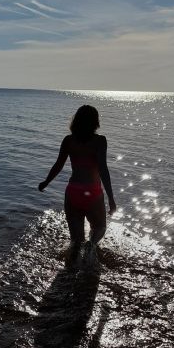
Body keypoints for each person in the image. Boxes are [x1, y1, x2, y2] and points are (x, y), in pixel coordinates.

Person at [38, 105, 116, 263]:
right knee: (99, 227)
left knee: (75, 240)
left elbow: (58, 165)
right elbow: (103, 169)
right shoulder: (100, 141)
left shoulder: (69, 140)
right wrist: (111, 198)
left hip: (73, 192)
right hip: (93, 192)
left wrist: (46, 182)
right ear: (95, 121)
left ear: (76, 120)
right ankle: (91, 246)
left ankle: (70, 274)